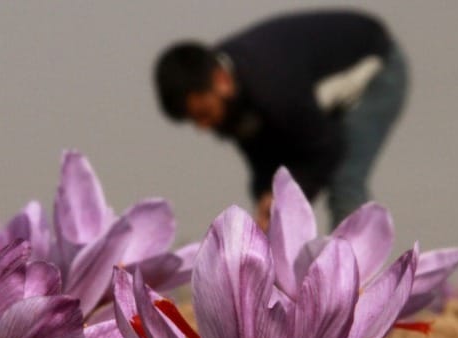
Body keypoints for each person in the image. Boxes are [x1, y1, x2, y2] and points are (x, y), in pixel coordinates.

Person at [154, 10, 408, 230]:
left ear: (221, 81)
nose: (203, 126)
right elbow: (262, 155)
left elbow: (326, 147)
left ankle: (352, 275)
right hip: (312, 100)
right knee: (277, 204)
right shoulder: (226, 89)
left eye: (204, 114)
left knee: (345, 179)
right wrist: (266, 196)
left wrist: (283, 197)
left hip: (377, 67)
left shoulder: (273, 86)